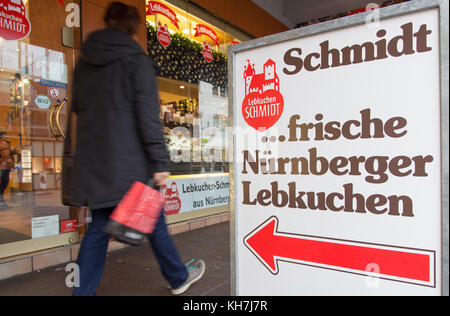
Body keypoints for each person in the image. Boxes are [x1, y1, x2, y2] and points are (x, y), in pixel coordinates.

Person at [66, 2, 205, 296]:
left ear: (106, 21)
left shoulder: (85, 60)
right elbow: (147, 116)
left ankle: (82, 292)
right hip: (131, 163)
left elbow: (78, 107)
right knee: (153, 219)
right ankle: (179, 278)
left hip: (96, 163)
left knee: (98, 229)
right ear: (133, 27)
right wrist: (159, 160)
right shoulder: (135, 60)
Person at [0, 129, 14, 208]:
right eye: (5, 134)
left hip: (6, 166)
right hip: (3, 166)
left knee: (4, 184)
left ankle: (2, 202)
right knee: (2, 184)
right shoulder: (2, 143)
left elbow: (8, 155)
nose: (6, 135)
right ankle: (2, 203)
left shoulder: (6, 143)